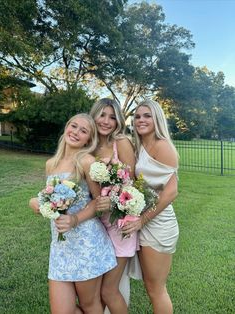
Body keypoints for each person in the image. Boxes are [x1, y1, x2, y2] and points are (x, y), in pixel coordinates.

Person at [29, 113, 117, 314]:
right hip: (60, 247)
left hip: (86, 245)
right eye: (73, 126)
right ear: (66, 127)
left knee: (89, 305)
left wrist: (75, 218)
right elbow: (51, 198)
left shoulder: (86, 162)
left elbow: (98, 202)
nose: (76, 132)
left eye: (83, 130)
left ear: (89, 139)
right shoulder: (50, 163)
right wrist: (36, 202)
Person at [122, 100, 179, 314]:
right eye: (137, 116)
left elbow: (171, 192)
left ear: (157, 119)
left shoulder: (162, 146)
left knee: (156, 289)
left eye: (147, 116)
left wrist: (141, 221)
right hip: (143, 220)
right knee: (149, 285)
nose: (141, 120)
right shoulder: (139, 146)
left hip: (158, 224)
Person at [89, 98, 136, 314]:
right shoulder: (86, 145)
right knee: (96, 291)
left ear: (118, 121)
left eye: (112, 117)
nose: (107, 121)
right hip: (95, 226)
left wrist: (114, 200)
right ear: (94, 115)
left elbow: (135, 188)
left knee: (108, 291)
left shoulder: (122, 143)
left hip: (120, 225)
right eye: (102, 115)